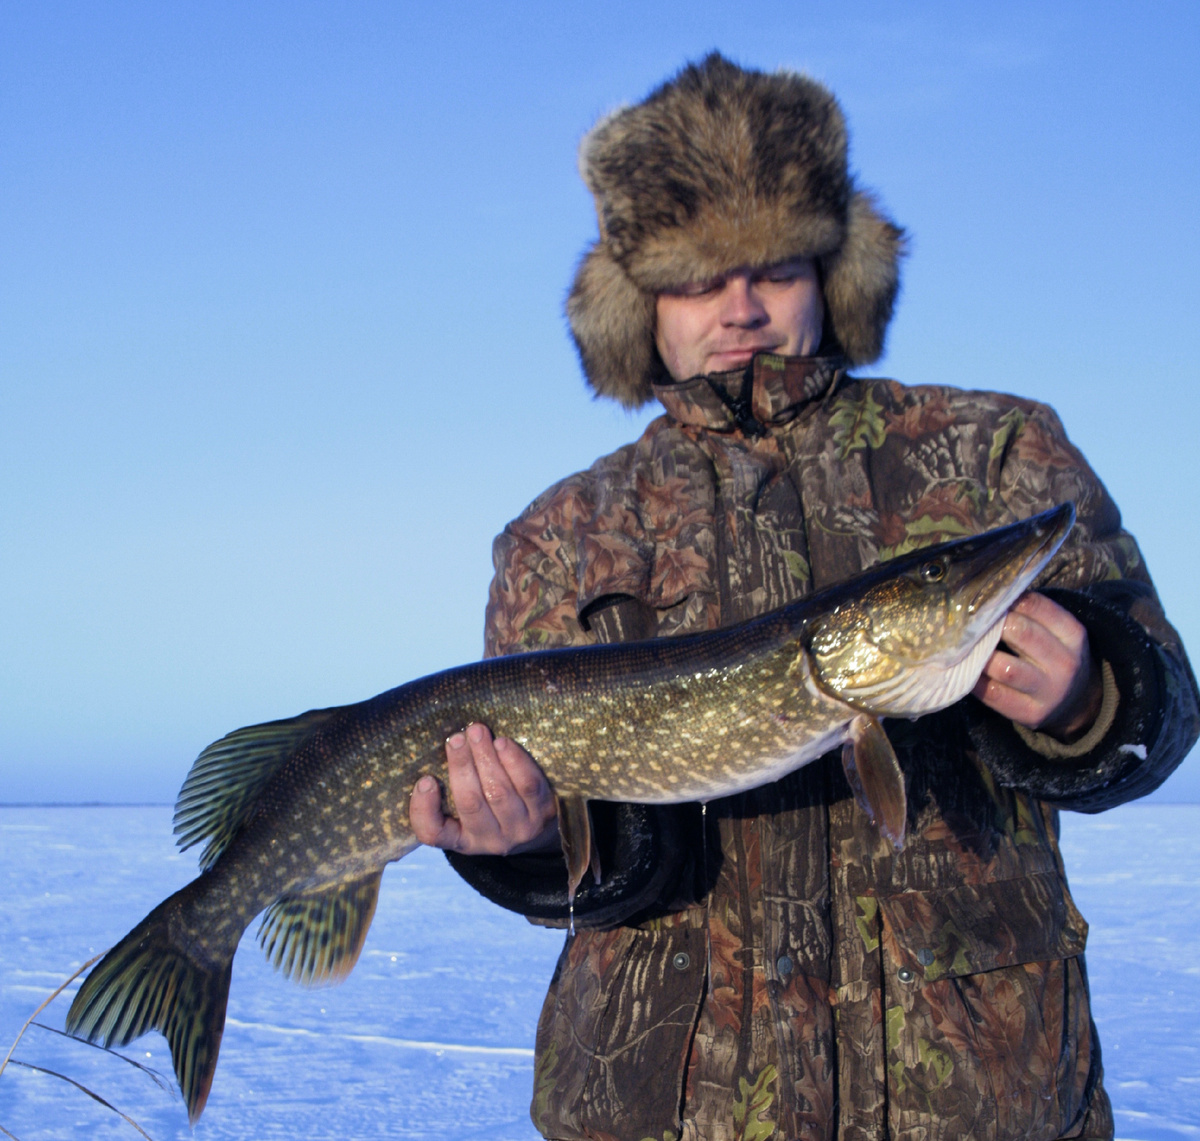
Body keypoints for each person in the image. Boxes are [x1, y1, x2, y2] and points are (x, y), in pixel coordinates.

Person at [410, 54, 1199, 1141]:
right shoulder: (560, 532)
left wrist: (1086, 697)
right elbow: (605, 876)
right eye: (696, 278)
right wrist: (529, 840)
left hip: (973, 1099)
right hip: (672, 1107)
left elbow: (1158, 706)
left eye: (776, 267)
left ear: (834, 271)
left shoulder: (994, 449)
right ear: (639, 305)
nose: (740, 306)